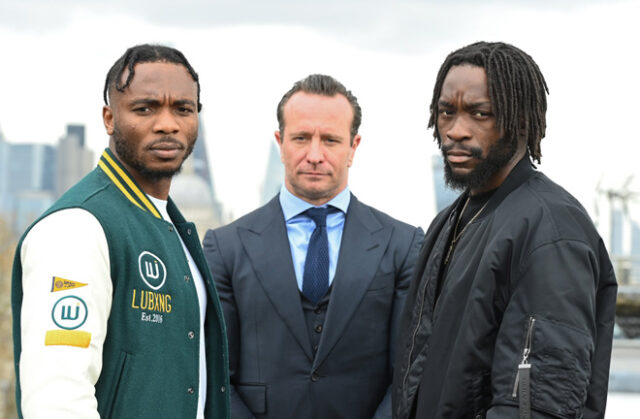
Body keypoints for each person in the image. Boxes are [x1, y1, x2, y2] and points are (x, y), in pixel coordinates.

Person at [392, 41, 618, 419]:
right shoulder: (450, 220)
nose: (456, 131)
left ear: (521, 121)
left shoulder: (552, 230)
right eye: (447, 112)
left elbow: (540, 404)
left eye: (480, 114)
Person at [11, 44, 229, 419]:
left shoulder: (170, 227)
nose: (167, 123)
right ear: (109, 119)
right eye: (145, 108)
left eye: (183, 108)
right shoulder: (76, 228)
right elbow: (57, 399)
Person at [202, 74, 423, 419]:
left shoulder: (403, 245)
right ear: (281, 142)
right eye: (301, 138)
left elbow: (409, 374)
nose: (315, 155)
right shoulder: (226, 247)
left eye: (331, 140)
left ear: (353, 147)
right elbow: (215, 376)